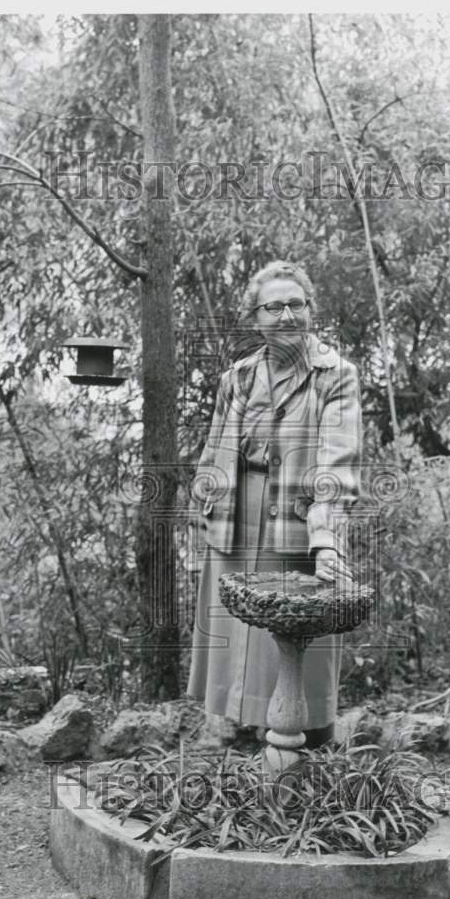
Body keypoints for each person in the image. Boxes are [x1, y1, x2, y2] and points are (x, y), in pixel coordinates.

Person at [187, 260, 362, 748]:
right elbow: (212, 452)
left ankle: (309, 753)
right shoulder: (237, 377)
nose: (286, 315)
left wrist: (325, 540)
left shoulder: (336, 375)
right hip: (235, 516)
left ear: (310, 310)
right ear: (254, 317)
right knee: (235, 636)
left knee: (295, 636)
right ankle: (246, 749)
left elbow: (337, 463)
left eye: (296, 304)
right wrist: (202, 518)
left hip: (296, 516)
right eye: (274, 306)